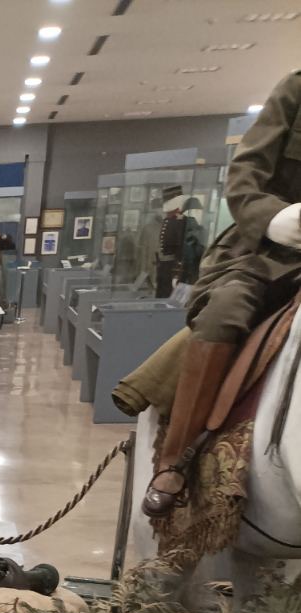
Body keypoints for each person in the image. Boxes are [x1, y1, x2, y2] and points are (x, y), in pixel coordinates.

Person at [142, 75, 301, 516]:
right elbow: (246, 174)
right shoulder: (296, 90)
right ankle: (175, 459)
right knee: (225, 311)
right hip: (277, 253)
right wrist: (273, 218)